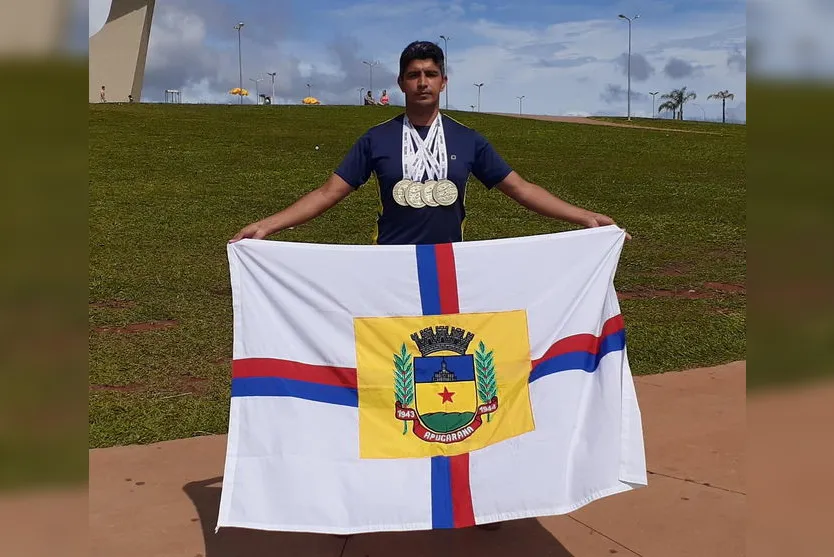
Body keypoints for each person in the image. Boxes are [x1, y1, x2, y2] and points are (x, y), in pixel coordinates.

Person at [231, 40, 627, 246]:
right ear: (401, 83)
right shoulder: (377, 139)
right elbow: (328, 192)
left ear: (443, 81)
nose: (423, 82)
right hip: (391, 263)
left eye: (431, 73)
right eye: (414, 74)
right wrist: (268, 225)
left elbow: (520, 188)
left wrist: (584, 217)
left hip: (448, 265)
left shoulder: (467, 139)